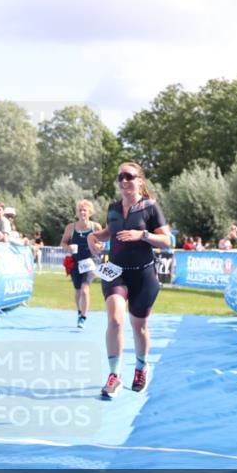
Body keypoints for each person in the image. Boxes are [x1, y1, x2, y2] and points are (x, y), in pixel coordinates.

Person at [89, 162, 171, 398]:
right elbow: (109, 232)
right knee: (115, 320)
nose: (124, 181)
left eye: (129, 176)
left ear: (140, 181)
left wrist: (142, 235)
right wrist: (94, 238)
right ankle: (114, 375)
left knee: (140, 327)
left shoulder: (150, 207)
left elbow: (167, 240)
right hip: (116, 272)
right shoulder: (113, 208)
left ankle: (140, 367)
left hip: (144, 274)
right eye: (120, 177)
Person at [60, 199, 102, 329]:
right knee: (78, 290)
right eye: (80, 210)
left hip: (90, 262)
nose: (82, 212)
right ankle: (80, 312)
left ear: (90, 212)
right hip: (75, 262)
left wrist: (97, 246)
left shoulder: (96, 227)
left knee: (84, 289)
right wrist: (68, 248)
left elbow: (102, 243)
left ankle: (83, 317)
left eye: (85, 210)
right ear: (77, 213)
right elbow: (63, 243)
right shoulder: (71, 227)